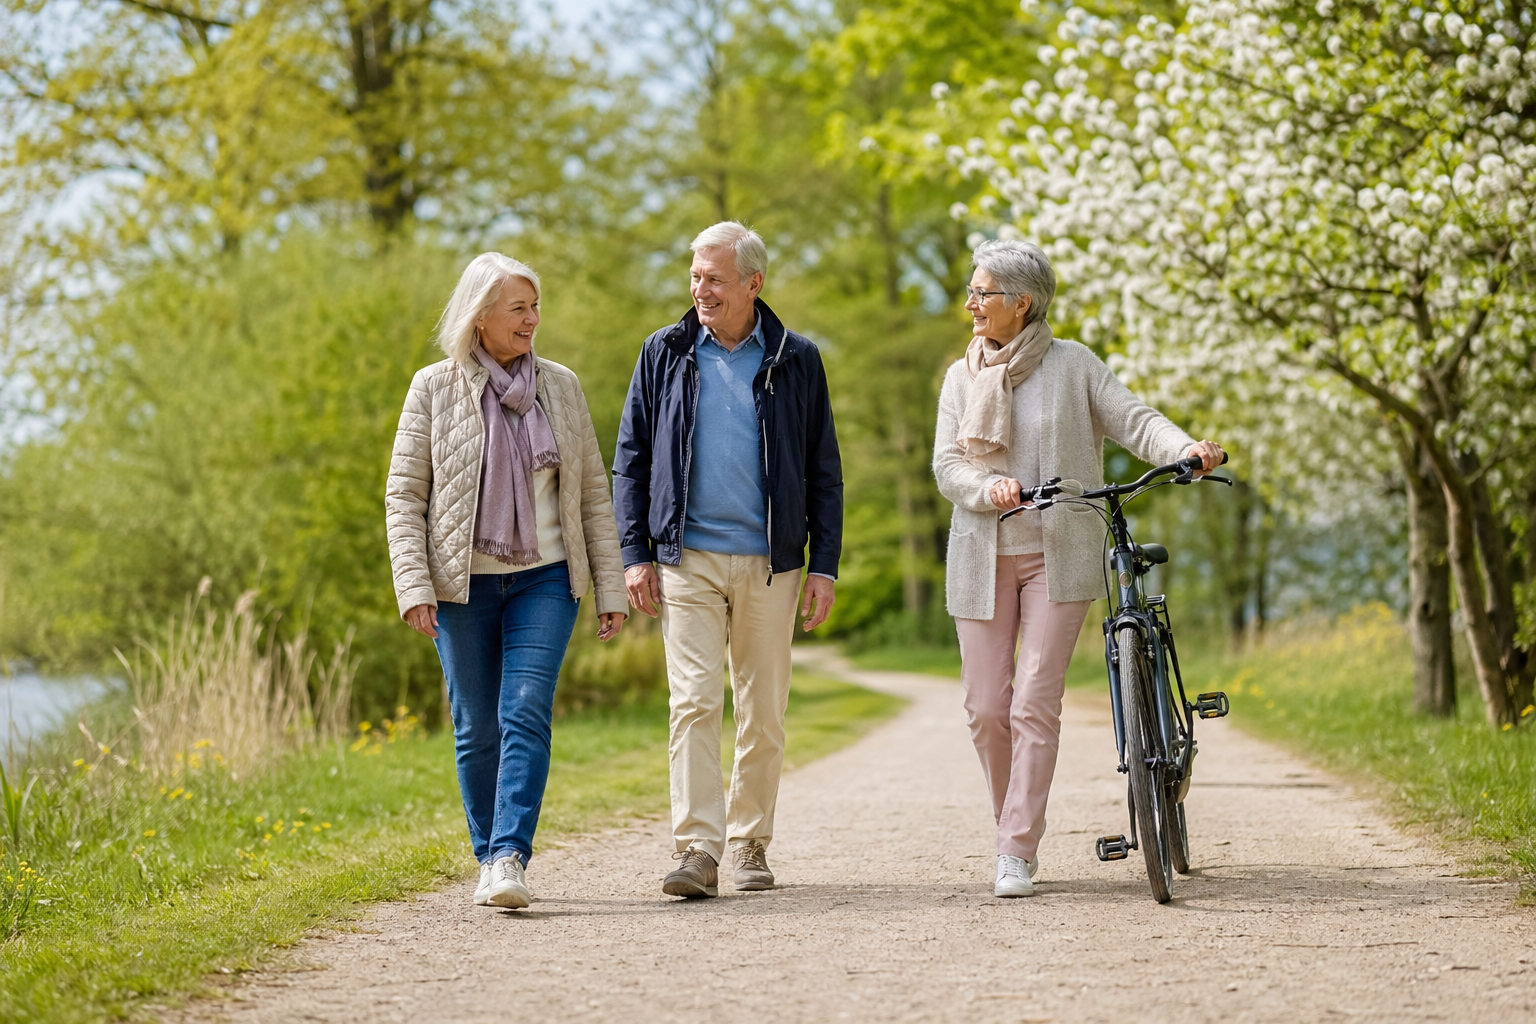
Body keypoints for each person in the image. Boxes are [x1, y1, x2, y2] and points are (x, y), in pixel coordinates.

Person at [933, 239, 1224, 898]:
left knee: (1035, 699)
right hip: (982, 556)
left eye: (983, 293)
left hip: (1056, 555)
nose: (972, 304)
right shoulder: (961, 376)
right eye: (973, 291)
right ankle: (1014, 821)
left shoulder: (1072, 366)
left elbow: (1135, 422)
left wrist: (1188, 449)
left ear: (1022, 303)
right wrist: (990, 490)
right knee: (985, 709)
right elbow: (949, 466)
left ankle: (1016, 847)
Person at [385, 253, 627, 910]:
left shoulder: (562, 386)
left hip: (545, 581)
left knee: (523, 710)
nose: (531, 319)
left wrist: (610, 589)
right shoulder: (432, 389)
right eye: (517, 308)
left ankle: (508, 855)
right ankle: (486, 851)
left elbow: (592, 496)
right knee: (475, 725)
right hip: (461, 587)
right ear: (480, 315)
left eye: (534, 306)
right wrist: (414, 586)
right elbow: (405, 495)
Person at [613, 222, 843, 899]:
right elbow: (632, 459)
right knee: (691, 701)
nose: (699, 288)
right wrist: (635, 553)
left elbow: (822, 468)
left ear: (752, 283)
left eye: (713, 277)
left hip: (772, 562)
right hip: (687, 557)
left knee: (762, 708)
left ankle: (748, 843)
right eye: (694, 276)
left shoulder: (797, 359)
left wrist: (822, 564)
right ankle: (697, 848)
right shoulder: (664, 352)